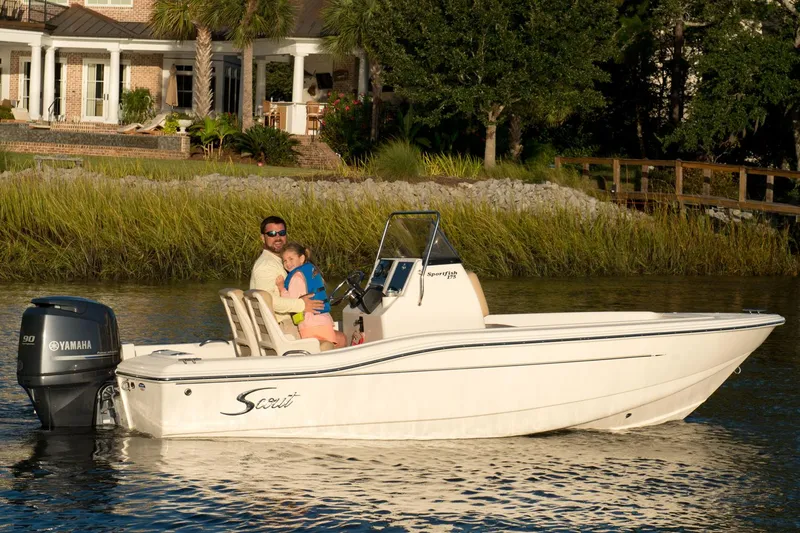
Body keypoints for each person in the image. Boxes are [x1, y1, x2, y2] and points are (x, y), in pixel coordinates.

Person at [250, 216, 323, 336]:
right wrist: (302, 304)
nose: (278, 238)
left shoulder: (281, 262)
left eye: (282, 233)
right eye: (272, 234)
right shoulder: (265, 266)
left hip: (290, 322)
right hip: (282, 328)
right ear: (263, 238)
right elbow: (267, 301)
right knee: (339, 339)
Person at [277, 242, 347, 347]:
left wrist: (281, 287)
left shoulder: (296, 277)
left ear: (301, 258)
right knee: (331, 345)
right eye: (285, 261)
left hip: (310, 324)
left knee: (319, 349)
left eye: (291, 259)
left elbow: (291, 301)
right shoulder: (313, 271)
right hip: (325, 321)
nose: (287, 263)